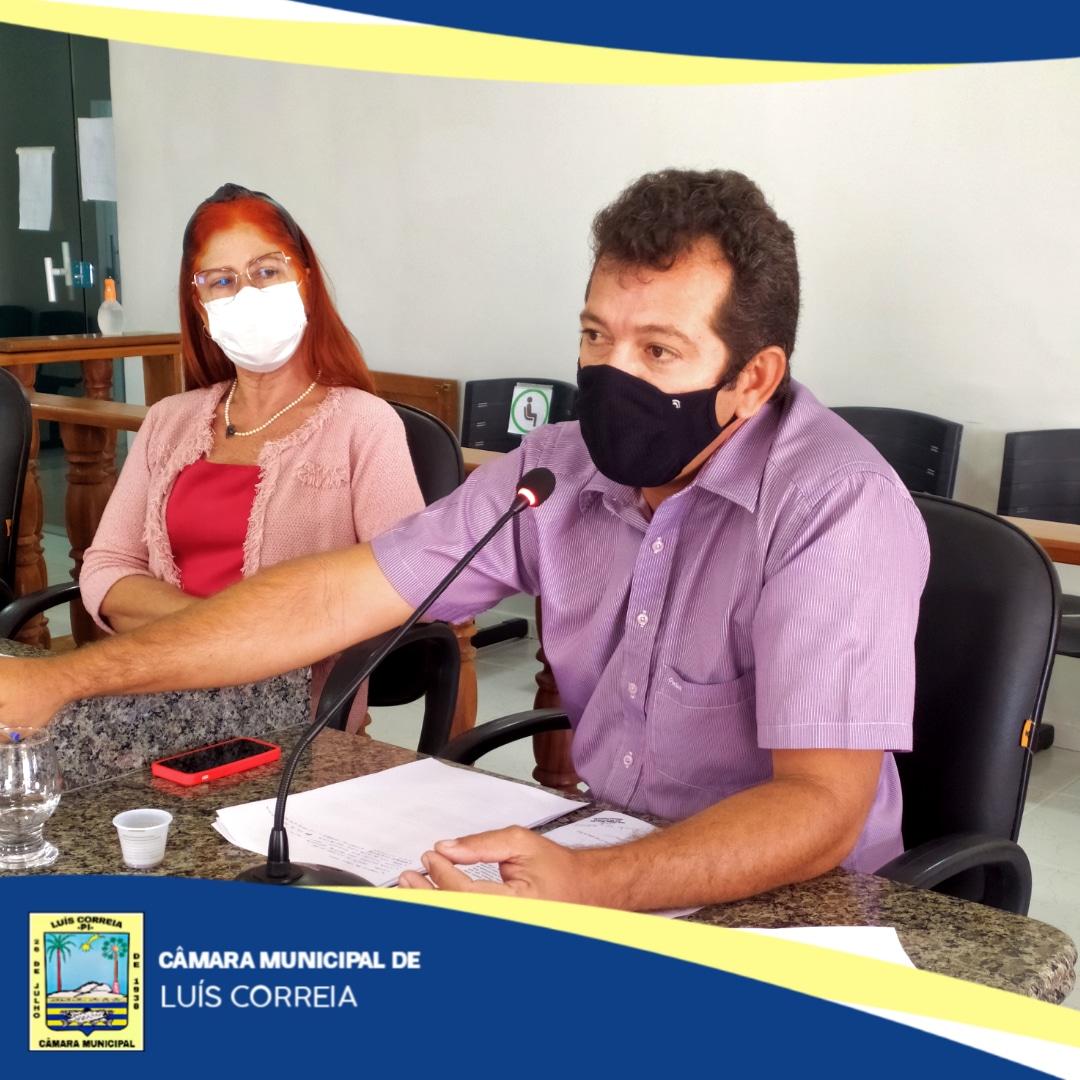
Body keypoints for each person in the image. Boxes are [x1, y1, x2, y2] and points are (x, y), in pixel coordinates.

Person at [1, 169, 928, 912]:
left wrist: (590, 884)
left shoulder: (834, 505)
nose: (611, 375)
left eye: (658, 350)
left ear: (753, 378)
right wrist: (64, 681)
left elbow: (820, 810)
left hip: (798, 904)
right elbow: (332, 596)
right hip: (604, 844)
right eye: (595, 335)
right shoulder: (557, 469)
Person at [78, 183, 424, 731]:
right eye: (221, 281)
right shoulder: (168, 421)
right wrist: (228, 634)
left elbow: (404, 584)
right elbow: (107, 568)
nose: (246, 294)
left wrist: (235, 647)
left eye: (266, 271)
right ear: (200, 306)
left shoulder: (364, 424)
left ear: (305, 280)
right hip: (158, 699)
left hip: (297, 723)